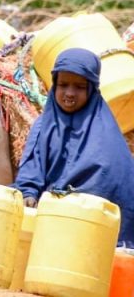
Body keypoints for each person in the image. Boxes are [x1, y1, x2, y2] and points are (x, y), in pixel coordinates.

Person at [12, 47, 134, 244]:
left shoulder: (104, 132)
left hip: (92, 226)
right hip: (49, 219)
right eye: (63, 85)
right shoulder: (44, 126)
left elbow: (112, 183)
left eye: (79, 87)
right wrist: (29, 192)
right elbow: (32, 168)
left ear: (92, 89)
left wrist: (68, 205)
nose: (69, 93)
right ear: (54, 85)